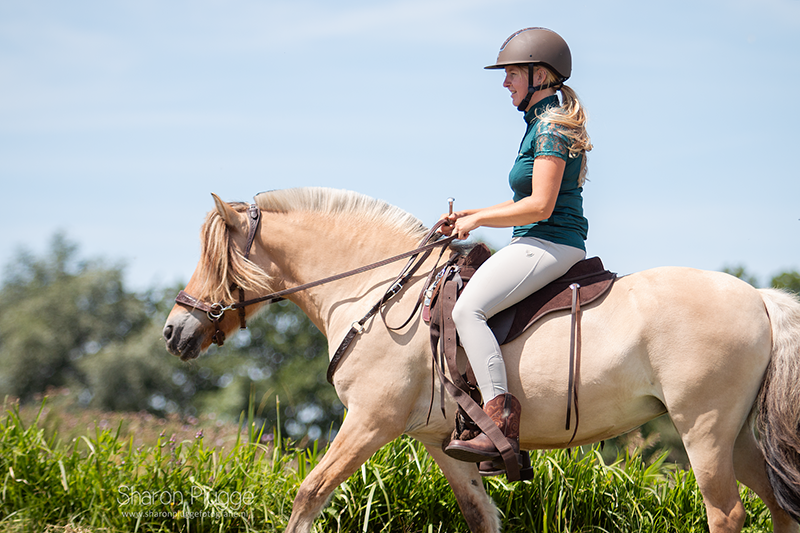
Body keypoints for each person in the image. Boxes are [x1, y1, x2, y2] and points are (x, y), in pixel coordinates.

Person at [440, 27, 593, 467]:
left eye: (511, 74)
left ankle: (500, 422)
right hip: (541, 238)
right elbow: (519, 202)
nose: (505, 83)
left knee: (466, 310)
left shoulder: (550, 128)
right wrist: (471, 214)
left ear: (539, 74)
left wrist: (478, 219)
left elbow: (539, 205)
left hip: (549, 241)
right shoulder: (541, 124)